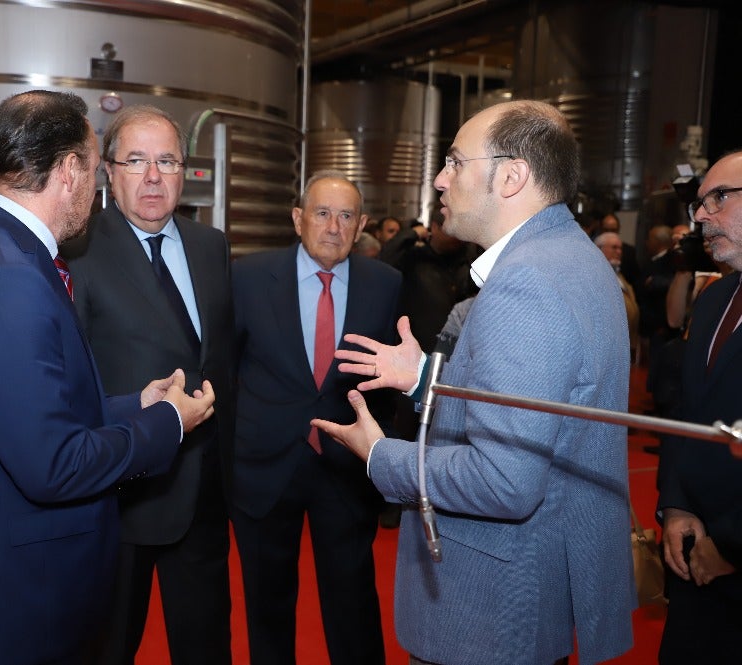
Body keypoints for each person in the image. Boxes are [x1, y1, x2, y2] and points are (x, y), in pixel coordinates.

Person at [313, 100, 635, 665]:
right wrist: (424, 380)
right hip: (523, 594)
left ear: (512, 176)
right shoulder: (573, 258)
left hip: (488, 613)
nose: (440, 179)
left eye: (455, 162)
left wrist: (380, 455)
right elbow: (539, 400)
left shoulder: (526, 283)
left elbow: (504, 481)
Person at [0, 90, 215, 665]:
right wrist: (169, 423)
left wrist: (135, 406)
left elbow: (27, 413)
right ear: (71, 168)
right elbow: (53, 465)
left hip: (1, 575)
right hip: (24, 596)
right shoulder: (12, 280)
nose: (100, 185)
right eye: (98, 162)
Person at [66, 104, 234, 665]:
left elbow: (220, 357)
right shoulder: (78, 252)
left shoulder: (212, 247)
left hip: (203, 495)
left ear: (186, 171)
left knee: (206, 645)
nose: (154, 176)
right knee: (110, 648)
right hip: (122, 497)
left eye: (167, 160)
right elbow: (71, 378)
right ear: (108, 173)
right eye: (136, 160)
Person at [232, 171, 401, 665]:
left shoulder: (385, 283)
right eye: (322, 213)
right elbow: (227, 365)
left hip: (346, 467)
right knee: (267, 604)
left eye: (346, 215)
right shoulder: (247, 277)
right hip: (265, 467)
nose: (333, 226)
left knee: (352, 603)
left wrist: (383, 451)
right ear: (297, 219)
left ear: (362, 223)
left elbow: (390, 379)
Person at [656, 149, 742, 664]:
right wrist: (677, 502)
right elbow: (686, 412)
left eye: (720, 198)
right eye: (700, 202)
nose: (701, 215)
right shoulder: (713, 299)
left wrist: (733, 546)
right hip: (693, 557)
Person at [595, 231, 641, 355]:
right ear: (599, 249)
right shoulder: (593, 276)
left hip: (624, 345)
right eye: (614, 247)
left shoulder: (620, 275)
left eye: (620, 248)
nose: (619, 252)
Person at [599, 212, 641, 288]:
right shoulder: (592, 250)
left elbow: (635, 280)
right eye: (606, 230)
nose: (610, 233)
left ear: (618, 230)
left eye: (613, 230)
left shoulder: (629, 251)